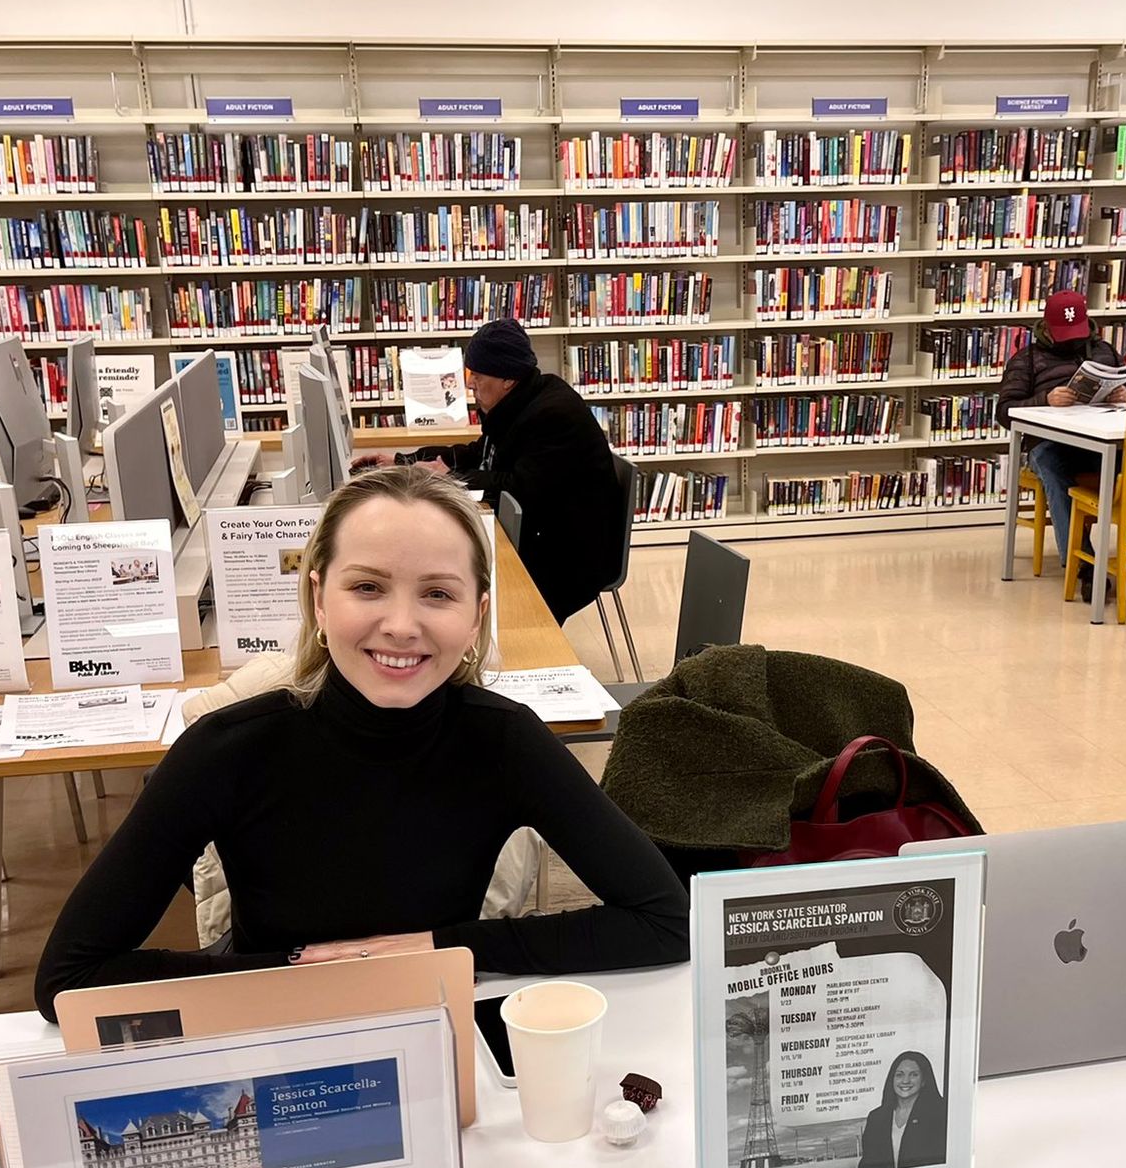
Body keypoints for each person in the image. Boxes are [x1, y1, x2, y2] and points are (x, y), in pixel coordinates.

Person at [33, 464, 688, 1018]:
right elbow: (68, 979)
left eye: (438, 594)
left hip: (433, 1025)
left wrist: (445, 947)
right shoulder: (226, 748)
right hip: (274, 1035)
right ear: (320, 600)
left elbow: (668, 921)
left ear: (477, 617)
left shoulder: (506, 740)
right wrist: (301, 972)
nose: (401, 625)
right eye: (368, 587)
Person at [352, 319, 621, 625]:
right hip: (541, 534)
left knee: (454, 570)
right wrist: (403, 462)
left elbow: (517, 488)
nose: (470, 385)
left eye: (478, 375)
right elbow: (479, 454)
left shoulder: (552, 415)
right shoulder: (518, 402)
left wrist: (448, 477)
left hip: (569, 557)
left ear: (507, 377)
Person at [994, 290, 1126, 602]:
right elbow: (1004, 411)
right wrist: (1045, 399)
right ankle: (1085, 566)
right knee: (1054, 473)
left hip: (1098, 439)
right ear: (1046, 328)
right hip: (1049, 442)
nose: (1072, 341)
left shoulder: (1104, 351)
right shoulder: (1027, 359)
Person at [856, 1050, 948, 1168]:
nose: (905, 1081)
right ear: (892, 1079)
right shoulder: (876, 1117)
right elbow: (867, 1164)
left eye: (914, 1075)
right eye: (899, 1075)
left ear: (924, 1081)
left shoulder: (940, 1114)